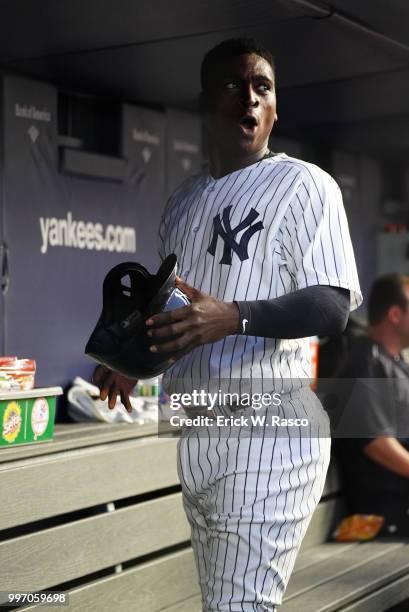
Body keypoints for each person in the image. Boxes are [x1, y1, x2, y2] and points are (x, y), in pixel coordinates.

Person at [93, 38, 362, 611]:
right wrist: (129, 359)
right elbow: (179, 313)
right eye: (233, 84)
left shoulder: (305, 185)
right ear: (204, 104)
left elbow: (334, 305)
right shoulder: (182, 201)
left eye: (263, 86)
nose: (250, 95)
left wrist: (235, 316)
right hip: (198, 425)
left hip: (271, 426)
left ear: (274, 110)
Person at [334, 274, 409, 537]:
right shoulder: (364, 361)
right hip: (381, 517)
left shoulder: (396, 361)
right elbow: (375, 442)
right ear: (395, 315)